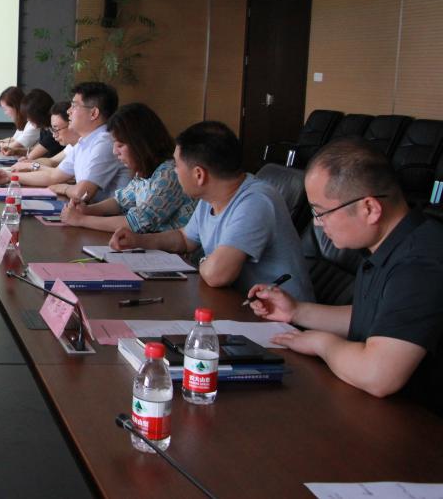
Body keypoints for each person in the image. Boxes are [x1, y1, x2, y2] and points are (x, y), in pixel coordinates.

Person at [249, 138, 443, 406]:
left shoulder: (420, 263)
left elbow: (378, 375)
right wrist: (296, 311)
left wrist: (321, 343)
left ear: (369, 208)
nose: (318, 224)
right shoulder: (389, 243)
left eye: (321, 212)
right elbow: (377, 316)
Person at [110, 120, 315, 300]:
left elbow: (217, 275)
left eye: (177, 166)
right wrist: (138, 241)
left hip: (281, 318)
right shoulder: (212, 196)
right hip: (238, 303)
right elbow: (185, 239)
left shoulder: (255, 201)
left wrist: (203, 260)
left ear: (199, 175)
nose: (174, 171)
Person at [61, 103, 195, 233]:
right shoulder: (144, 172)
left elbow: (137, 223)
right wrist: (87, 210)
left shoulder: (169, 174)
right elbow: (120, 201)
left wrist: (81, 220)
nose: (115, 151)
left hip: (169, 248)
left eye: (120, 145)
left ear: (141, 144)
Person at [0, 81, 130, 203]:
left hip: (109, 220)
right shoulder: (84, 141)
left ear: (93, 113)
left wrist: (63, 188)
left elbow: (82, 194)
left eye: (74, 106)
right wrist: (9, 177)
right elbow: (53, 175)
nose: (69, 111)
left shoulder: (104, 142)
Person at [12, 101, 75, 170]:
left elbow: (57, 173)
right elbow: (52, 161)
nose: (54, 135)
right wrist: (30, 163)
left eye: (56, 129)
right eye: (53, 130)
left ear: (72, 124)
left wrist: (30, 165)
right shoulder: (72, 146)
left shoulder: (81, 146)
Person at [0, 86, 37, 156]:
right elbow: (14, 139)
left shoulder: (33, 124)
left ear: (15, 106)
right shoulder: (23, 122)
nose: (5, 113)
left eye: (5, 109)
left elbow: (13, 146)